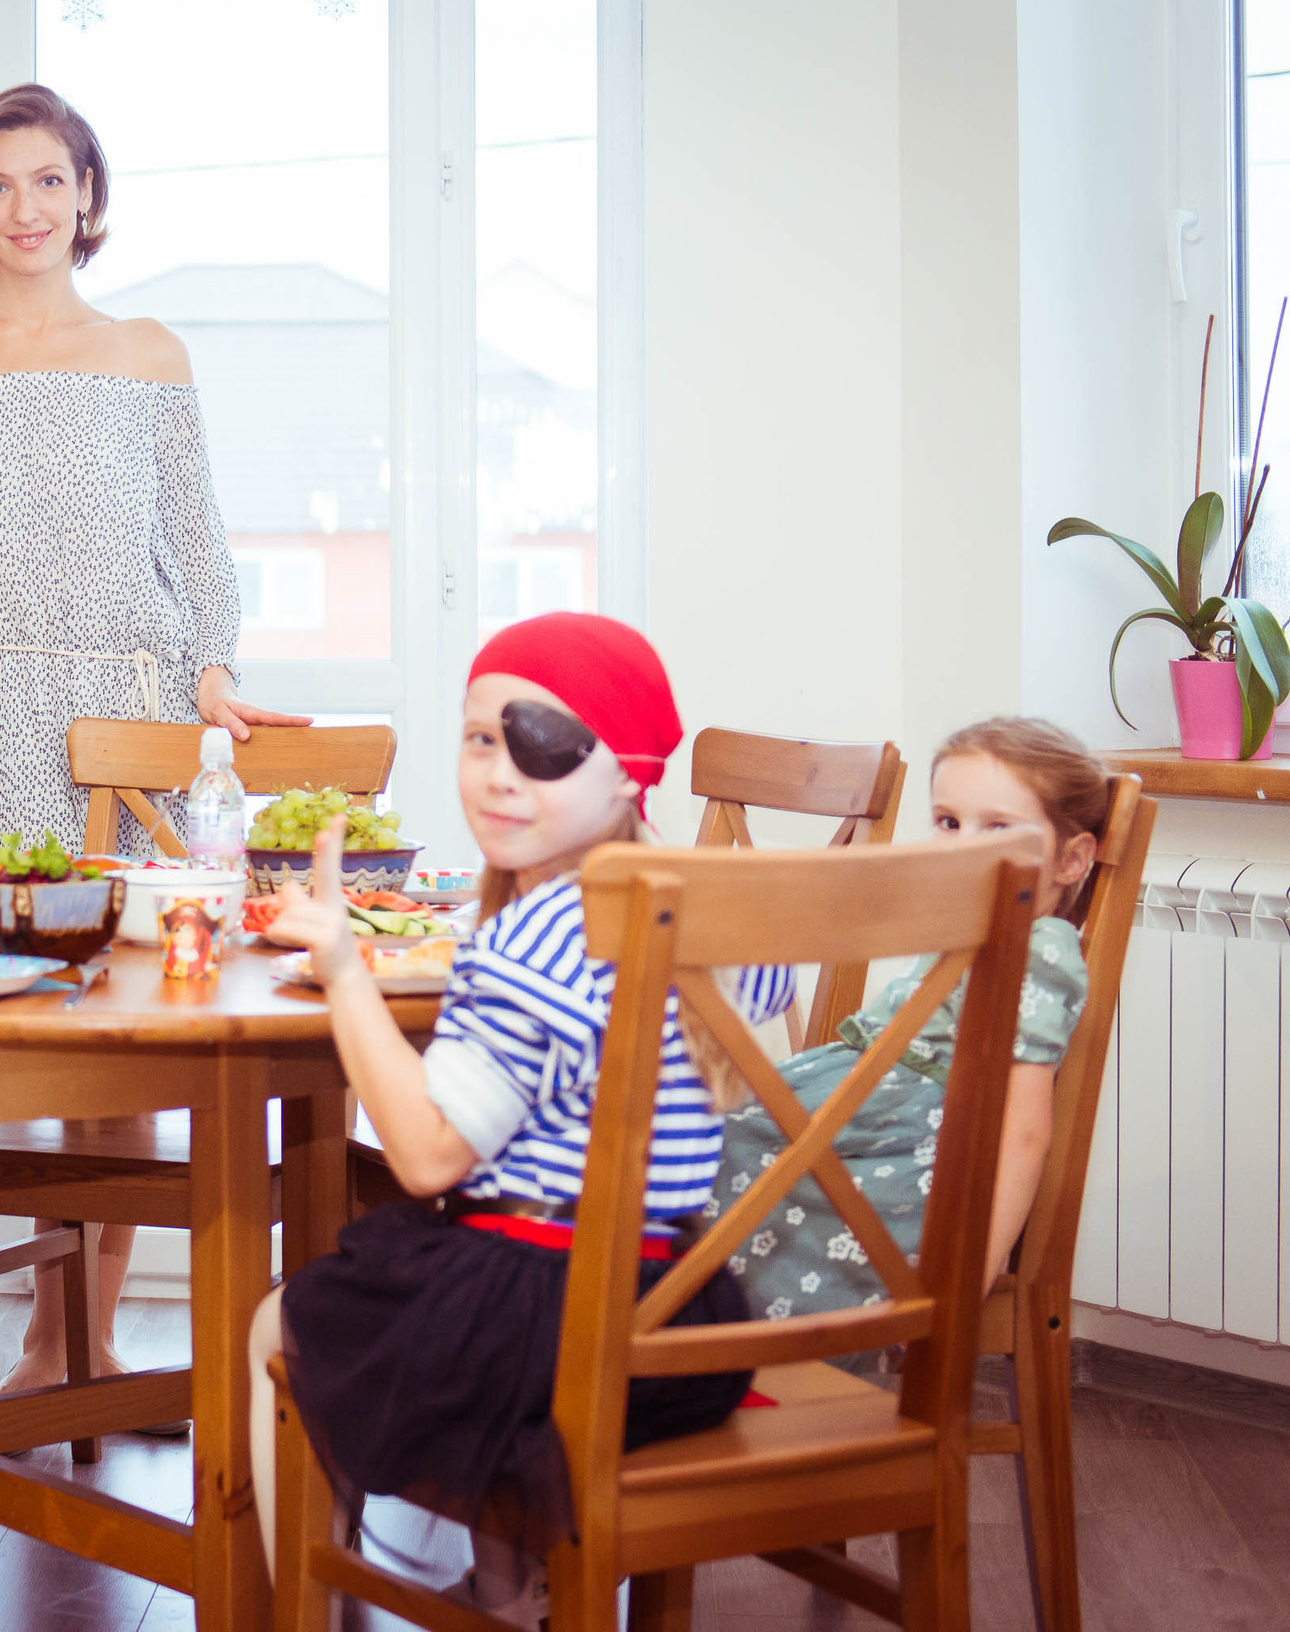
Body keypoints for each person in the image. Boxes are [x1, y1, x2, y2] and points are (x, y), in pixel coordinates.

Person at [0, 80, 305, 1400]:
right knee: (33, 1020)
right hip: (0, 703)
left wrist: (212, 674)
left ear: (88, 195)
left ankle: (77, 1339)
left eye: (49, 180)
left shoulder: (149, 352)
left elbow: (198, 552)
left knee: (126, 1026)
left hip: (138, 710)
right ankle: (52, 1321)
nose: (24, 209)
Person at [251, 613, 795, 1623]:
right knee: (457, 1275)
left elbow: (422, 1156)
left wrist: (339, 967)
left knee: (280, 1323)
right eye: (480, 736)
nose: (500, 773)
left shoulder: (535, 937)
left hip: (546, 1330)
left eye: (544, 745)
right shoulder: (729, 912)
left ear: (626, 772)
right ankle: (511, 1596)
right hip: (685, 1318)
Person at [710, 717, 1103, 1328]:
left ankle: (718, 1345)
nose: (962, 846)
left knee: (709, 1141)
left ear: (1072, 859)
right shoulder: (965, 918)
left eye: (997, 827)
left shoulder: (1040, 948)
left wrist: (974, 1269)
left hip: (899, 1147)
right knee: (688, 1124)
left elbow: (1025, 1129)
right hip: (855, 1098)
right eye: (948, 822)